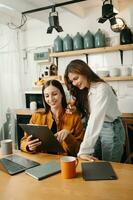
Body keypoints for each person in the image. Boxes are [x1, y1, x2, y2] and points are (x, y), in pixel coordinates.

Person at [64, 59, 125, 162]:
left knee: (109, 167)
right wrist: (77, 110)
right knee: (94, 162)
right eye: (72, 81)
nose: (74, 83)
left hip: (111, 128)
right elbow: (91, 114)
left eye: (76, 78)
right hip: (97, 129)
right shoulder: (85, 90)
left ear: (85, 72)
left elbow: (95, 119)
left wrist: (83, 151)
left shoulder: (102, 88)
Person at [20, 79, 84, 156]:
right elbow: (23, 142)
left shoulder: (74, 118)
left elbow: (79, 150)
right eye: (47, 96)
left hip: (64, 162)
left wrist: (68, 137)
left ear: (62, 94)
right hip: (42, 161)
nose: (50, 99)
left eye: (54, 94)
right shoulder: (37, 117)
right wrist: (28, 146)